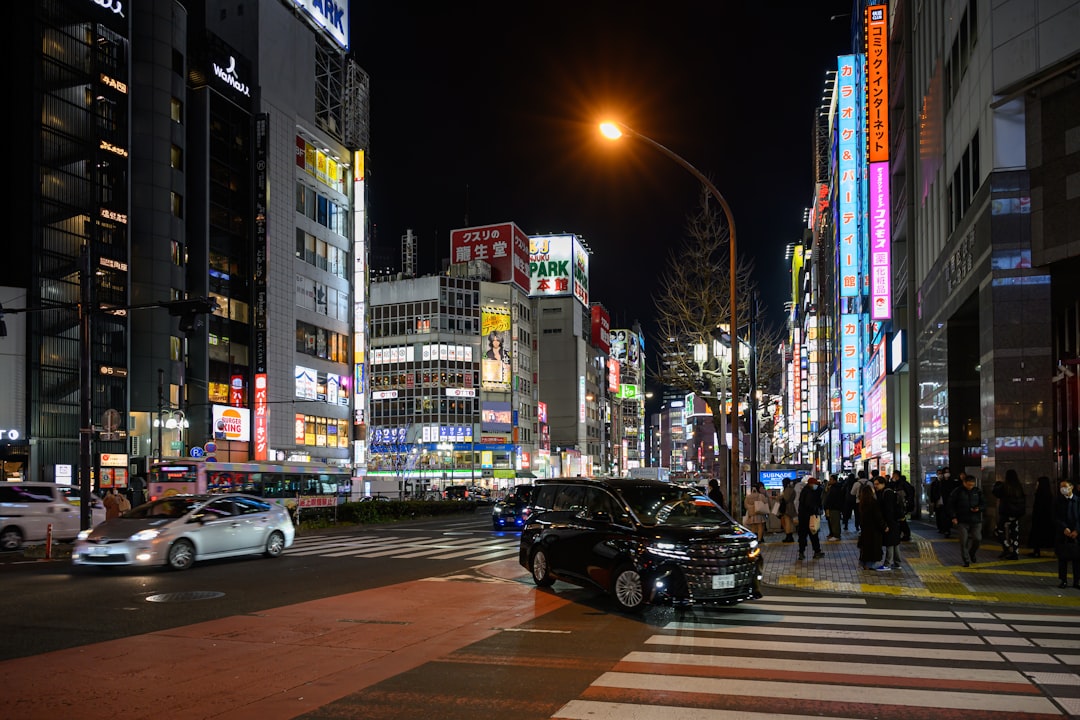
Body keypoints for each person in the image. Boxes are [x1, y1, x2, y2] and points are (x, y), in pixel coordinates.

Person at [947, 471, 984, 567]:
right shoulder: (957, 491)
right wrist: (953, 517)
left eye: (972, 485)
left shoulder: (977, 491)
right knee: (963, 541)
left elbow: (984, 503)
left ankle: (972, 553)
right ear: (964, 482)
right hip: (962, 520)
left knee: (977, 539)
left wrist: (979, 508)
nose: (970, 487)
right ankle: (966, 560)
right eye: (968, 485)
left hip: (976, 520)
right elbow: (950, 505)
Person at [1053, 478, 1080, 589]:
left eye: (1065, 486)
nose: (1062, 489)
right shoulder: (1057, 501)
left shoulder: (1078, 501)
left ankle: (1077, 581)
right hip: (1063, 533)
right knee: (1062, 558)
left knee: (1077, 559)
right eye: (1061, 487)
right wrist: (1064, 528)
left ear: (1071, 487)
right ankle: (1063, 580)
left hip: (1076, 534)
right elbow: (1055, 517)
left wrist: (1077, 530)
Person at [994, 469, 1026, 560]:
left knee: (998, 530)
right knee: (1014, 533)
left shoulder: (1004, 486)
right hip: (1017, 514)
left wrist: (997, 485)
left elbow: (995, 492)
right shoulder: (1019, 487)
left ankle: (1006, 547)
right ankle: (1015, 552)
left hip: (1006, 514)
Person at [873, 473, 903, 570]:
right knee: (895, 542)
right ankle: (897, 563)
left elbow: (888, 510)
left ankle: (887, 564)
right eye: (874, 484)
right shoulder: (885, 492)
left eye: (877, 484)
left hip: (890, 521)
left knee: (890, 542)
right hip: (893, 521)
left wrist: (886, 524)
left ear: (883, 484)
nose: (875, 486)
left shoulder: (887, 493)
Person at [857, 483, 885, 570]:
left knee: (865, 547)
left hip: (865, 529)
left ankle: (864, 564)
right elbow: (878, 517)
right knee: (873, 547)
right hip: (874, 529)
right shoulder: (873, 502)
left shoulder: (862, 503)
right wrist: (884, 526)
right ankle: (870, 565)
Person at [795, 477, 824, 560]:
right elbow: (810, 505)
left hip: (802, 517)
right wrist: (816, 511)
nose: (816, 486)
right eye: (815, 484)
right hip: (810, 517)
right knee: (814, 534)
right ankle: (817, 552)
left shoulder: (804, 491)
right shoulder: (810, 492)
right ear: (810, 484)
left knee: (802, 536)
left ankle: (801, 552)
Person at [1028, 476, 1057, 557]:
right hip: (1047, 520)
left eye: (1037, 483)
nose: (1036, 485)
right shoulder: (1049, 495)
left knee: (1037, 536)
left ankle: (1036, 551)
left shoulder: (1039, 495)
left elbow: (1038, 508)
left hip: (1039, 520)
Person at [891, 471, 914, 541]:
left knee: (902, 520)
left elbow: (909, 494)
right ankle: (903, 534)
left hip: (902, 505)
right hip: (900, 505)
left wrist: (907, 503)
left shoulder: (902, 484)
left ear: (896, 475)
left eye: (893, 475)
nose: (892, 477)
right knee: (901, 520)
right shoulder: (898, 483)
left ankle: (906, 534)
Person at [823, 474, 845, 541]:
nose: (829, 481)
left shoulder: (835, 488)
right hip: (833, 507)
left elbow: (832, 498)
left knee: (835, 521)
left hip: (834, 507)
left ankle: (836, 535)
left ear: (834, 480)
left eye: (831, 479)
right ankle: (835, 534)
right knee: (833, 521)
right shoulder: (833, 487)